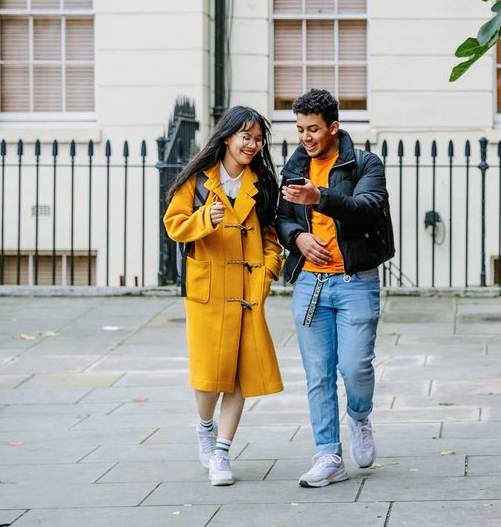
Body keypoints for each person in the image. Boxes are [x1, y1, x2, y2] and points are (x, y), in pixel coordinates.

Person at [276, 88, 394, 488]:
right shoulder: (293, 167)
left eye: (313, 129)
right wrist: (297, 239)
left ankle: (359, 416)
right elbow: (281, 219)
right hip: (310, 283)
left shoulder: (364, 164)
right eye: (300, 129)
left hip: (354, 281)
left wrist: (320, 197)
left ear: (334, 127)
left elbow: (367, 208)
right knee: (318, 374)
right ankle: (328, 455)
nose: (306, 137)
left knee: (356, 367)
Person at [163, 106, 284, 486]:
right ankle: (204, 426)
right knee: (208, 376)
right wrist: (205, 220)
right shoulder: (197, 181)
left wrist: (265, 275)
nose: (252, 144)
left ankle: (221, 453)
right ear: (228, 137)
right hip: (209, 290)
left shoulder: (261, 183)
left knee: (239, 376)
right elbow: (173, 225)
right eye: (245, 137)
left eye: (258, 139)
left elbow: (270, 239)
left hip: (247, 292)